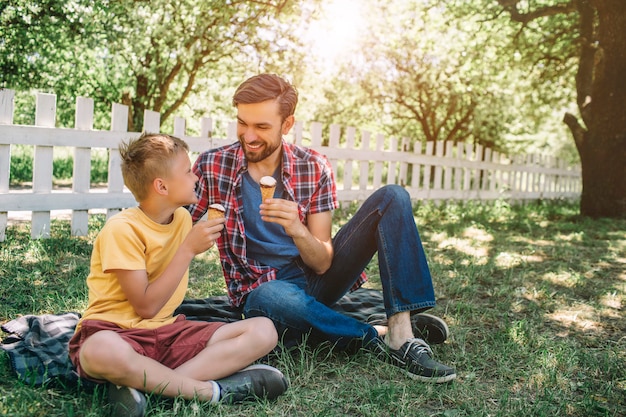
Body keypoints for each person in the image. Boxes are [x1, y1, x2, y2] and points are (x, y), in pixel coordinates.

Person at [187, 74, 456, 383]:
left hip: (315, 279)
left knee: (393, 197)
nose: (248, 136)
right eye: (242, 123)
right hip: (261, 291)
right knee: (274, 296)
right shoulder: (212, 165)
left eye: (261, 126)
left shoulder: (313, 166)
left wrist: (297, 229)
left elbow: (323, 261)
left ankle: (399, 327)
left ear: (287, 125)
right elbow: (174, 228)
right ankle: (378, 335)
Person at [68, 133, 289, 417]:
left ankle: (148, 389)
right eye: (187, 171)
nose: (195, 176)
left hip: (166, 333)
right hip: (116, 333)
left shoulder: (182, 218)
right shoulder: (122, 229)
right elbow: (146, 308)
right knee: (98, 350)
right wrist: (187, 250)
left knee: (263, 330)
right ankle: (211, 392)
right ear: (161, 186)